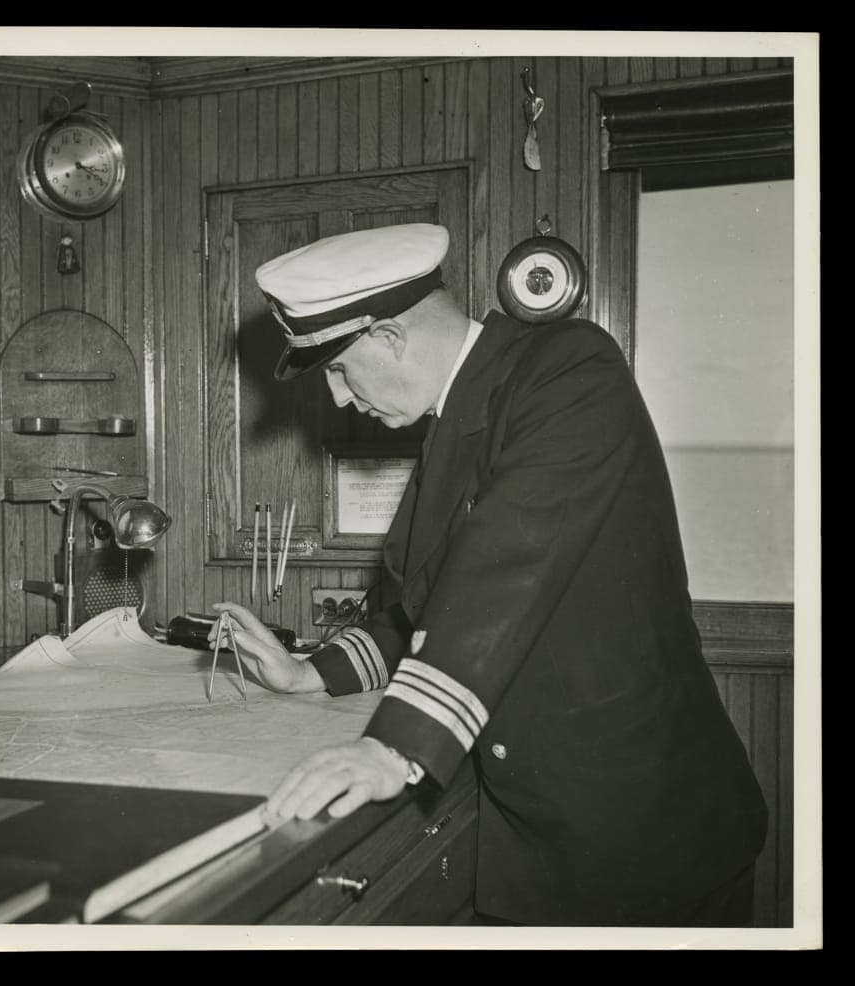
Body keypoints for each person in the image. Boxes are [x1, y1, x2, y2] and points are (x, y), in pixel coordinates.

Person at [209, 223, 768, 927]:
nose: (343, 399)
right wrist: (312, 674)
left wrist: (396, 747)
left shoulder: (570, 372)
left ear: (387, 336)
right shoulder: (459, 419)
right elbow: (427, 606)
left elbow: (504, 570)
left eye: (339, 370)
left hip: (645, 836)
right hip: (546, 833)